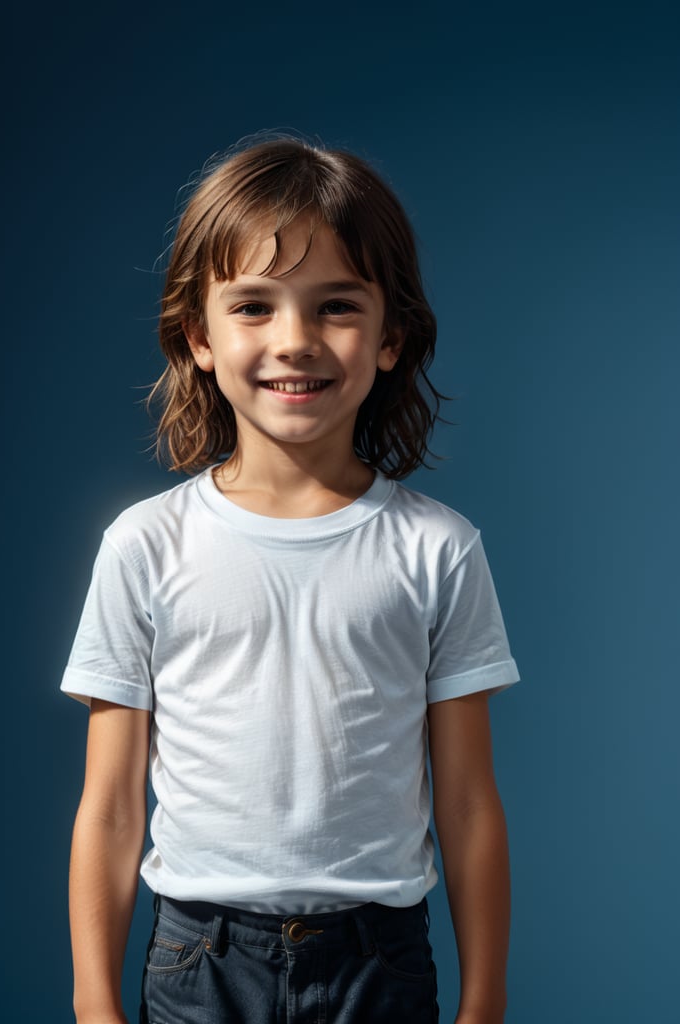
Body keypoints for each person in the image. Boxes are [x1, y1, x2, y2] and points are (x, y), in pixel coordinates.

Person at [62, 135, 520, 1024]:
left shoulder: (438, 550)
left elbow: (467, 804)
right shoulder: (144, 545)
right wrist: (92, 1004)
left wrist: (483, 1003)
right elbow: (111, 808)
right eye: (255, 306)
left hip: (379, 963)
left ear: (390, 337)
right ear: (199, 335)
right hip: (198, 962)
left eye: (335, 306)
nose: (295, 341)